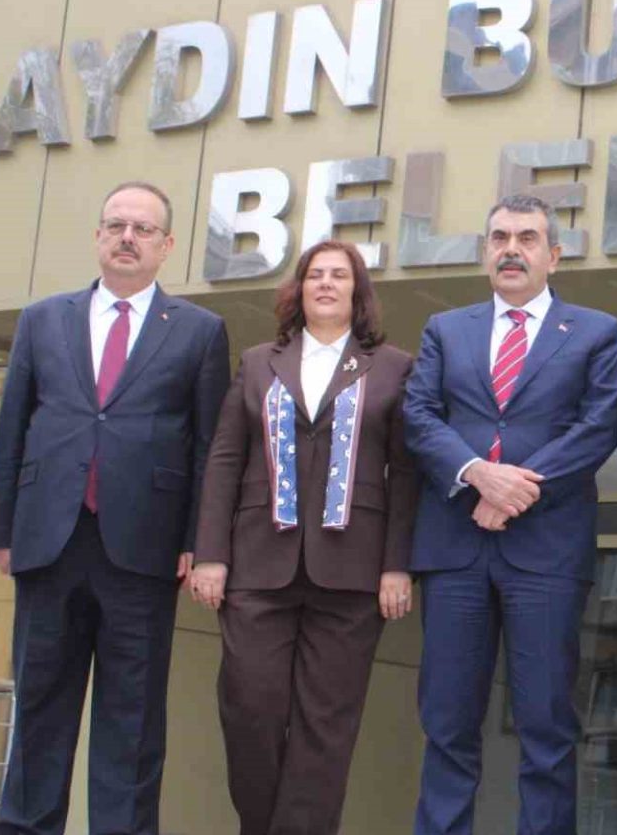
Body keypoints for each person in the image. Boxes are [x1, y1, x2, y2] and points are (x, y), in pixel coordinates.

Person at [0, 181, 230, 835]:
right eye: (117, 224)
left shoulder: (201, 331)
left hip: (145, 552)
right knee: (39, 712)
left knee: (132, 722)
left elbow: (209, 447)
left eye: (143, 229)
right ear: (97, 235)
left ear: (167, 245)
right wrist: (1, 528)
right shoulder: (43, 319)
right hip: (48, 542)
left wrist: (201, 541)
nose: (127, 237)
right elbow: (12, 429)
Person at [404, 193, 617, 835]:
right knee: (447, 722)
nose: (511, 250)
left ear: (554, 255)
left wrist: (515, 491)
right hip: (456, 551)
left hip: (547, 553)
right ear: (484, 252)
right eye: (500, 237)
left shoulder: (597, 332)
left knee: (547, 726)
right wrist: (478, 474)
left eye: (527, 238)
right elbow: (419, 416)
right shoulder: (446, 329)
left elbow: (596, 428)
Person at [190, 240, 418, 834]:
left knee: (326, 726)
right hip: (257, 564)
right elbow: (224, 460)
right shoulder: (258, 362)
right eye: (315, 274)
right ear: (298, 288)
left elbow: (406, 472)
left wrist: (397, 565)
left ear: (357, 292)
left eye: (339, 275)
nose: (326, 284)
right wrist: (211, 554)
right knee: (250, 708)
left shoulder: (392, 366)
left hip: (352, 571)